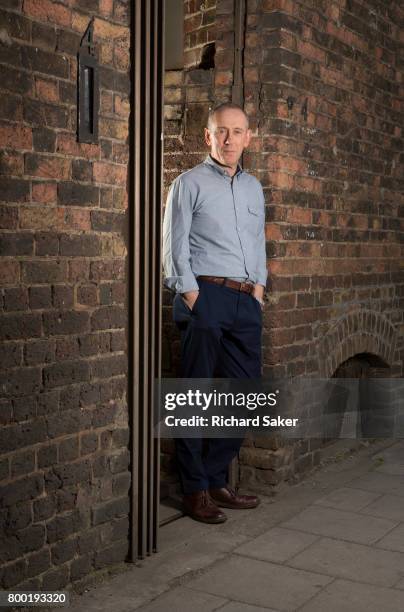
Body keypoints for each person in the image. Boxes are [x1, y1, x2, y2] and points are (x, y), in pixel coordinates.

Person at [162, 102, 267, 523]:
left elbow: (257, 242)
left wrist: (258, 289)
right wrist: (193, 297)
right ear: (208, 137)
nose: (229, 139)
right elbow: (173, 248)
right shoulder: (188, 184)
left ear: (248, 137)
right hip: (205, 296)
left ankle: (213, 478)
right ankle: (195, 490)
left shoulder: (253, 186)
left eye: (237, 131)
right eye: (221, 132)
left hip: (245, 301)